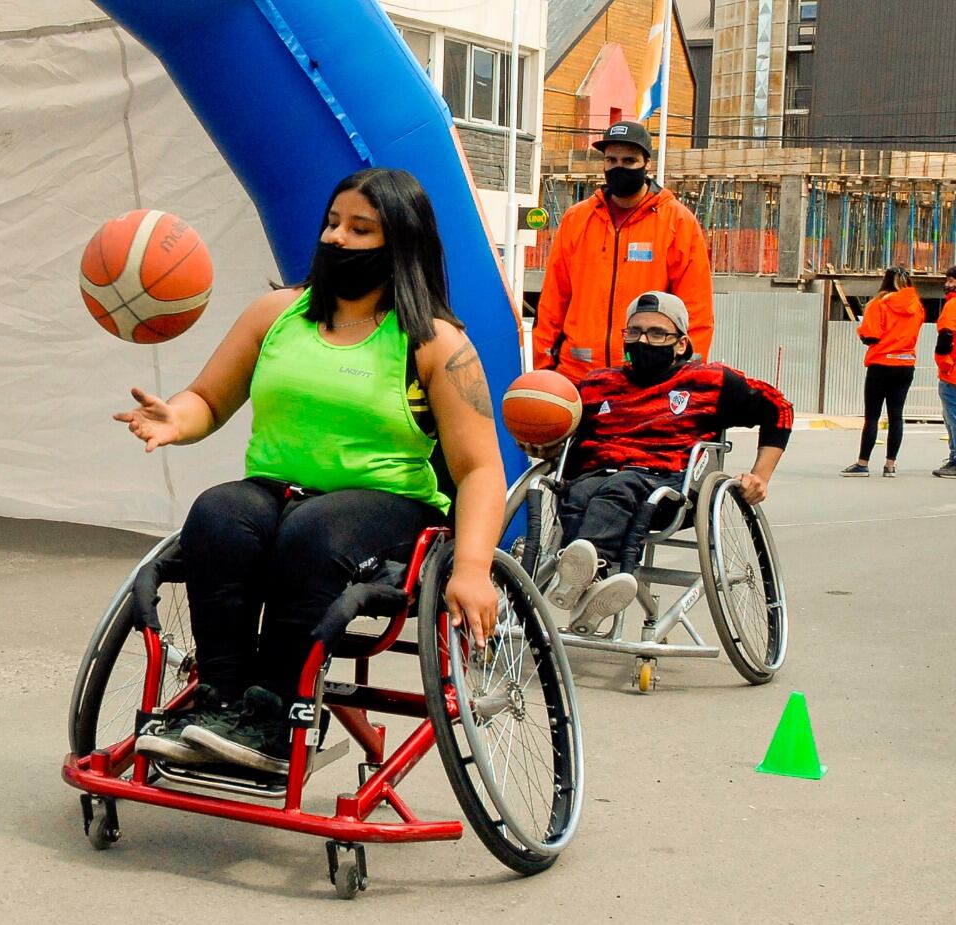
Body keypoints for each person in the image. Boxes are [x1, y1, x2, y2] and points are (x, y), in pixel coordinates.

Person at [115, 168, 506, 775]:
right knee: (217, 513)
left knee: (314, 531)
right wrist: (175, 419)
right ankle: (220, 703)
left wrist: (475, 569)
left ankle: (273, 715)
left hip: (386, 505)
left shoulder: (436, 344)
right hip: (278, 491)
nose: (337, 239)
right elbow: (210, 400)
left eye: (359, 228)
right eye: (332, 223)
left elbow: (480, 468)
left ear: (400, 242)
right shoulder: (277, 314)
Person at [543, 291, 792, 635]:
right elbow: (561, 433)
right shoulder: (598, 383)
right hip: (597, 477)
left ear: (680, 343)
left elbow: (778, 408)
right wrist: (542, 441)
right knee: (576, 491)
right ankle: (589, 588)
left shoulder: (708, 382)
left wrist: (760, 475)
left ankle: (591, 572)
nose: (643, 340)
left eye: (657, 333)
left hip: (664, 486)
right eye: (635, 332)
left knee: (620, 486)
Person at [532, 121, 713, 384]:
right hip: (577, 377)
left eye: (629, 161)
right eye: (611, 160)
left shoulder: (677, 223)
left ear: (646, 163)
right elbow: (553, 301)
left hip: (645, 381)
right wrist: (544, 369)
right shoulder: (577, 220)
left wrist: (689, 379)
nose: (619, 168)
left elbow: (696, 309)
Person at [840, 266, 925, 478]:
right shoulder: (917, 305)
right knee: (896, 416)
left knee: (872, 416)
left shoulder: (879, 304)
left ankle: (863, 463)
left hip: (881, 364)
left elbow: (870, 335)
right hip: (905, 364)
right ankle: (890, 465)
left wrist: (862, 332)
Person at [933, 266, 956, 478]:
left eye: (951, 280)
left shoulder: (952, 306)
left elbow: (945, 338)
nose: (947, 284)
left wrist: (944, 365)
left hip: (952, 375)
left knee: (953, 418)